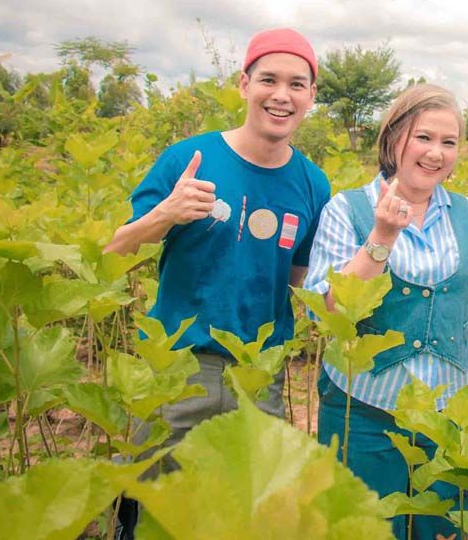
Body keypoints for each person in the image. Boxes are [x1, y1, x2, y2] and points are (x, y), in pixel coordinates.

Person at [105, 28, 330, 537]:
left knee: (246, 512)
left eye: (297, 84)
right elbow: (115, 252)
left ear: (311, 96)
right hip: (182, 365)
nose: (281, 95)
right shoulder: (189, 158)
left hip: (260, 370)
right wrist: (165, 213)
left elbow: (296, 276)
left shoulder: (313, 183)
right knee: (159, 509)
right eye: (268, 79)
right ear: (243, 83)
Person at [305, 83, 468, 540]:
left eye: (449, 142)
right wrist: (381, 236)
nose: (435, 153)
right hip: (363, 413)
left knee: (442, 531)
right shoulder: (347, 210)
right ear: (395, 137)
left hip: (449, 420)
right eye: (424, 137)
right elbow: (331, 310)